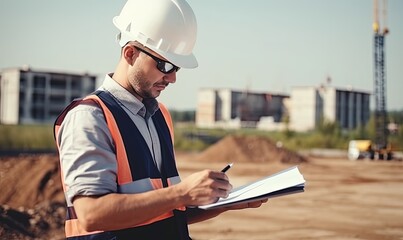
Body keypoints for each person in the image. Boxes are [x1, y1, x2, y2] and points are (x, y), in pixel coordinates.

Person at [54, 0, 267, 239]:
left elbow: (164, 214)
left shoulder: (160, 116)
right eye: (165, 65)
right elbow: (92, 214)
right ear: (130, 53)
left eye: (177, 68)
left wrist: (223, 203)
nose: (172, 78)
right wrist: (182, 193)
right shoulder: (90, 117)